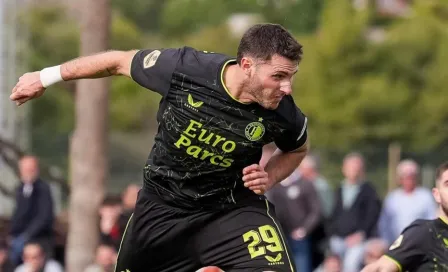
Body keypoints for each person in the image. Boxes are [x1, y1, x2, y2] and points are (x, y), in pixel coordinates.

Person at [11, 23, 309, 272]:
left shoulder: (283, 112)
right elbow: (117, 61)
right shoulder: (185, 69)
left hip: (231, 210)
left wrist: (269, 176)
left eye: (291, 77)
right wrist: (44, 76)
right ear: (247, 66)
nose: (287, 88)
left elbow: (296, 149)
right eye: (279, 76)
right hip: (162, 209)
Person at [361, 161, 448, 272]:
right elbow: (379, 267)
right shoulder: (426, 233)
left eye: (411, 176)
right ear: (437, 195)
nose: (408, 179)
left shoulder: (424, 196)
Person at [9, 156, 55, 266]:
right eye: (25, 169)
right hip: (18, 238)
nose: (27, 172)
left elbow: (44, 216)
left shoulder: (43, 188)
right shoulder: (20, 188)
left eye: (31, 169)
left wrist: (26, 235)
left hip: (38, 238)